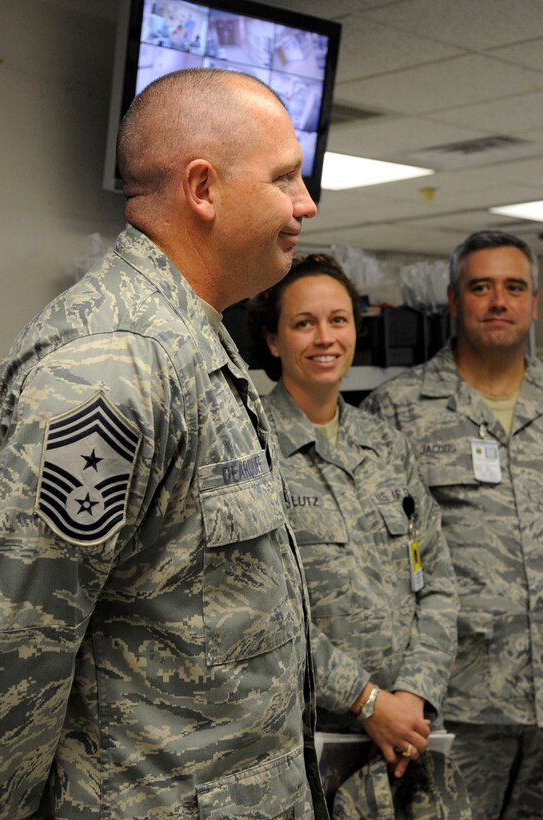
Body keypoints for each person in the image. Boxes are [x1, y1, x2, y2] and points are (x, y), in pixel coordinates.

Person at [0, 68, 327, 819]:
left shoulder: (192, 338)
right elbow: (17, 650)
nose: (306, 203)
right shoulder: (114, 364)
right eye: (284, 178)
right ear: (202, 189)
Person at [247, 254, 470, 818]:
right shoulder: (252, 450)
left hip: (408, 740)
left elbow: (438, 580)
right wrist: (367, 700)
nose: (325, 338)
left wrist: (412, 695)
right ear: (273, 340)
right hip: (305, 751)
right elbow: (261, 608)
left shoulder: (386, 444)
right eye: (304, 323)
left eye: (338, 320)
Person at [362, 230, 543, 819]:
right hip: (454, 703)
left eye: (514, 287)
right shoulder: (397, 411)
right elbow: (371, 568)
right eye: (481, 287)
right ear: (453, 300)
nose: (499, 301)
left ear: (534, 302)